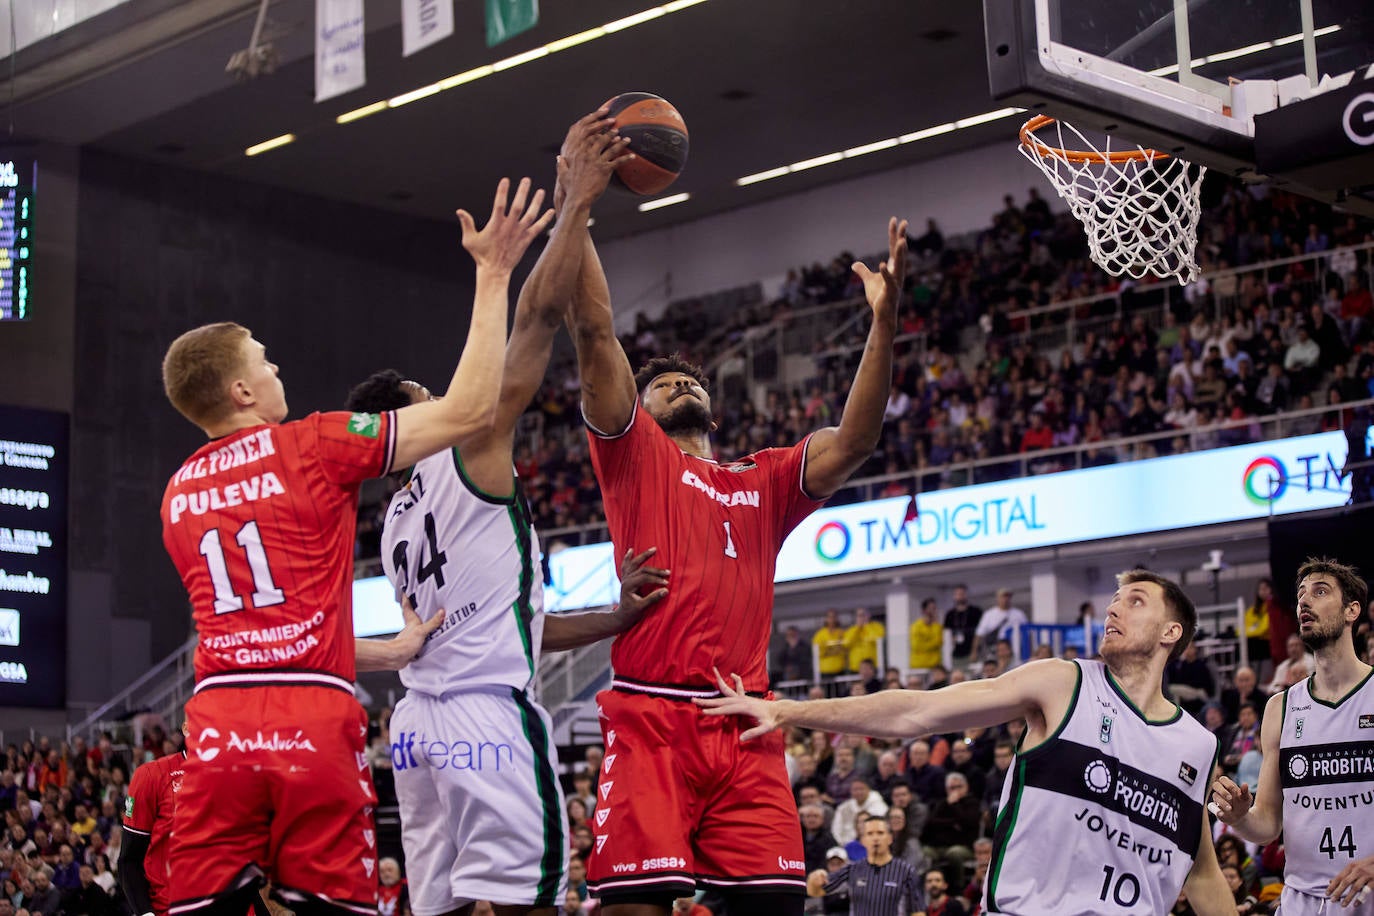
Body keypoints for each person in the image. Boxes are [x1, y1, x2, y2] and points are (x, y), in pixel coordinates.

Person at [157, 176, 554, 916]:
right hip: (311, 714)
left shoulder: (177, 493)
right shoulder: (311, 444)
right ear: (242, 392)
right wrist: (493, 272)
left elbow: (260, 632)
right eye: (264, 362)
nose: (276, 370)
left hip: (215, 722)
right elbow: (468, 411)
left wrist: (394, 651)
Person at [562, 103, 909, 914]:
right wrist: (579, 201)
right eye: (661, 384)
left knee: (776, 907)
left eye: (690, 379)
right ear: (638, 413)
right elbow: (595, 330)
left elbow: (855, 440)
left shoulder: (765, 479)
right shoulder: (634, 455)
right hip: (652, 717)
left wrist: (884, 327)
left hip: (746, 721)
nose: (680, 383)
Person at [347, 116, 667, 916]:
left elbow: (506, 621)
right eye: (429, 393)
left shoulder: (392, 523)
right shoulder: (468, 447)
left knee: (441, 906)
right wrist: (579, 203)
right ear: (419, 409)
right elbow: (533, 322)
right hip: (485, 713)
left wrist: (614, 619)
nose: (442, 396)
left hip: (416, 727)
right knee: (530, 897)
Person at [699, 569, 1237, 915]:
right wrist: (785, 710)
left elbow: (1204, 871)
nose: (1114, 609)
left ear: (1172, 633)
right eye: (1114, 599)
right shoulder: (1062, 682)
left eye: (1136, 601)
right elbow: (917, 710)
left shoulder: (1196, 744)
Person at [1210, 557, 1374, 915]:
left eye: (1320, 591)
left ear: (1352, 611)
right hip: (1302, 900)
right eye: (1301, 594)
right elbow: (1268, 825)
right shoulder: (1280, 708)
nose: (1304, 601)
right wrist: (1240, 817)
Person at [118, 736, 185, 916]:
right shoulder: (152, 775)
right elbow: (129, 859)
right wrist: (145, 913)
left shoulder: (238, 778)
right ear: (186, 728)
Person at [812, 818, 922, 916]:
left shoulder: (906, 871)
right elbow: (817, 891)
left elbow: (917, 910)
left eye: (880, 833)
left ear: (890, 838)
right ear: (863, 841)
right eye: (870, 834)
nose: (875, 838)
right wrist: (815, 879)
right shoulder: (852, 870)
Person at [942, 587, 982, 670]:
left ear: (966, 595)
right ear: (954, 596)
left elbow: (979, 633)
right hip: (956, 653)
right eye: (957, 594)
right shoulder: (950, 614)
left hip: (971, 651)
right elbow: (947, 635)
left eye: (962, 594)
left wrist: (974, 651)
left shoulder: (975, 611)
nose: (960, 597)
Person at [844, 609, 885, 674]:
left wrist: (867, 626)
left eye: (863, 615)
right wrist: (857, 628)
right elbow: (846, 644)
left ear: (869, 615)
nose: (861, 618)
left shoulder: (877, 626)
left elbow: (877, 639)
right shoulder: (851, 630)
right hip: (856, 667)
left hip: (872, 665)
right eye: (859, 616)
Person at [909, 599, 943, 671]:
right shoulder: (916, 626)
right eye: (931, 608)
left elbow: (938, 642)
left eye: (934, 608)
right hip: (918, 666)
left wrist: (924, 642)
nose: (934, 611)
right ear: (923, 610)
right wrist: (932, 644)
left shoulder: (937, 626)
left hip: (935, 666)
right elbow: (916, 646)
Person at [814, 612, 848, 681]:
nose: (832, 619)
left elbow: (845, 649)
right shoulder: (820, 634)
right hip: (825, 671)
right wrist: (833, 649)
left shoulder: (842, 633)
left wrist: (829, 649)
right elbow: (818, 652)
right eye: (830, 617)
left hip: (840, 669)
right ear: (826, 619)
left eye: (834, 617)